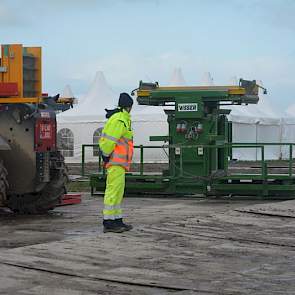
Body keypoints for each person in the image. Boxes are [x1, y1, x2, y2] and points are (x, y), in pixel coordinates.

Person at [99, 93, 134, 233]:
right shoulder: (120, 120)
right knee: (113, 191)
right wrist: (106, 156)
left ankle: (117, 220)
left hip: (119, 163)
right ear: (129, 106)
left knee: (117, 192)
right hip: (115, 162)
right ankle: (108, 222)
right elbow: (110, 141)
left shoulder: (122, 118)